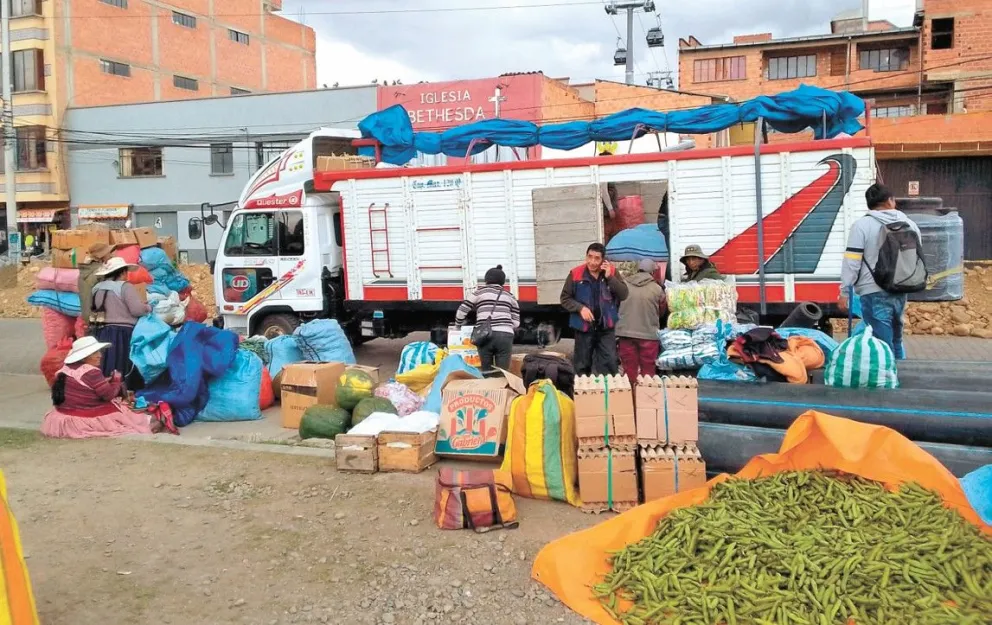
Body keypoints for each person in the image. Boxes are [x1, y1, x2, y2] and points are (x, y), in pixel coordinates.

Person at [839, 183, 922, 359]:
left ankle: (887, 381)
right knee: (896, 339)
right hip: (900, 288)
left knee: (881, 343)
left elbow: (852, 261)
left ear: (869, 204)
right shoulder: (910, 224)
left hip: (872, 289)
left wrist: (845, 291)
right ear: (890, 201)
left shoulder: (861, 226)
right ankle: (901, 375)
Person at [41, 336, 159, 439]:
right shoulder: (91, 372)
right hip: (83, 416)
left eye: (99, 352)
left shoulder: (66, 369)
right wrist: (116, 381)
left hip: (63, 415)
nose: (100, 356)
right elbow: (108, 395)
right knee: (145, 421)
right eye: (95, 353)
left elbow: (85, 386)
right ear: (84, 357)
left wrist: (105, 382)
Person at [561, 243, 629, 375]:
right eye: (589, 257)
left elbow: (624, 294)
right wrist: (580, 308)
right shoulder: (575, 273)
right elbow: (565, 298)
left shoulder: (612, 272)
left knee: (609, 364)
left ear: (603, 260)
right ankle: (583, 393)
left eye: (597, 258)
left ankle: (607, 393)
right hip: (584, 328)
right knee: (582, 365)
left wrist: (610, 277)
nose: (592, 262)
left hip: (606, 328)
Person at [91, 257, 151, 387]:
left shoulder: (96, 288)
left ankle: (104, 389)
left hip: (102, 332)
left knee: (106, 362)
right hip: (123, 333)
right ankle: (122, 392)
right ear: (122, 272)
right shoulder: (125, 287)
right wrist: (147, 307)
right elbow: (136, 310)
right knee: (122, 364)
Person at [455, 265, 520, 375]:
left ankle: (489, 388)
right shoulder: (510, 296)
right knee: (503, 372)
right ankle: (502, 390)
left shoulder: (480, 292)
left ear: (486, 280)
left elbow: (463, 309)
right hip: (505, 335)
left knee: (487, 371)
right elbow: (516, 322)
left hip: (484, 335)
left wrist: (458, 324)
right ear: (503, 281)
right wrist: (505, 326)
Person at [616, 259, 665, 387]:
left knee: (629, 370)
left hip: (625, 333)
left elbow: (615, 305)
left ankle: (630, 398)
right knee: (648, 371)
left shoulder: (624, 284)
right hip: (648, 335)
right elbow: (662, 311)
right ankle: (647, 401)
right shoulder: (657, 289)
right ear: (653, 272)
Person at [78, 242, 116, 333]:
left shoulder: (86, 270)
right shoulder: (101, 272)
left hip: (89, 315)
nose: (111, 255)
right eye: (108, 253)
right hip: (98, 317)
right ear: (101, 256)